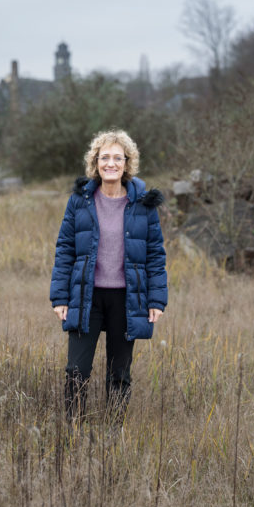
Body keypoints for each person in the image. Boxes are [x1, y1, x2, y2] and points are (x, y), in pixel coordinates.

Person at [50, 129, 168, 427]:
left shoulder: (143, 204)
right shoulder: (80, 201)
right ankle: (74, 432)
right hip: (85, 296)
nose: (111, 163)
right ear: (95, 162)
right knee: (77, 370)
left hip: (127, 299)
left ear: (127, 163)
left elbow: (155, 254)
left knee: (119, 373)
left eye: (118, 158)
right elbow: (65, 249)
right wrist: (60, 297)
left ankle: (113, 435)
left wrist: (156, 300)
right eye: (105, 158)